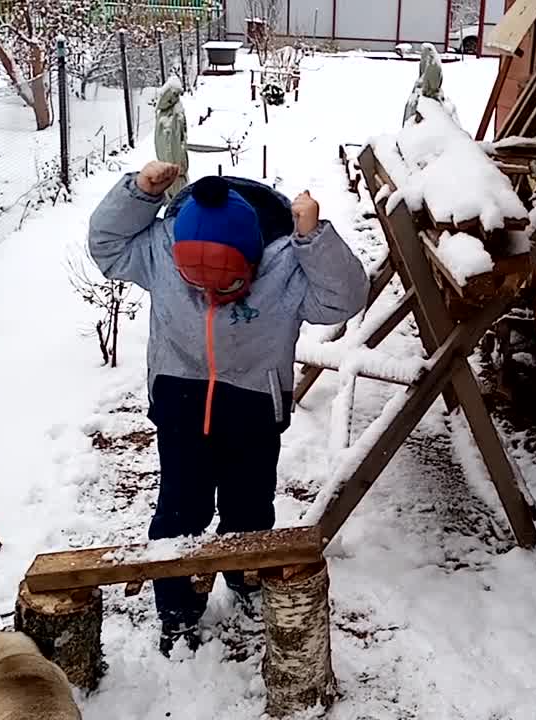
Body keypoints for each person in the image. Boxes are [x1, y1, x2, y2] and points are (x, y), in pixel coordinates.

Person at [86, 161, 369, 656]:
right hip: (179, 405)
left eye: (228, 282)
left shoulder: (285, 264)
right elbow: (107, 246)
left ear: (256, 254)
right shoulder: (160, 249)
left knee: (250, 504)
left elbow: (344, 298)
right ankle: (176, 611)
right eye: (194, 281)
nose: (211, 294)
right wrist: (137, 193)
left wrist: (313, 238)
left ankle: (245, 578)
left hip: (255, 409)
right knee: (179, 510)